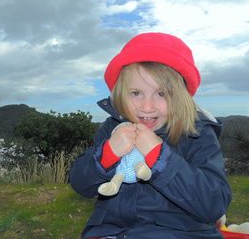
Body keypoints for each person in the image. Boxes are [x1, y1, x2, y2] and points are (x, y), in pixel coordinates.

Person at [69, 32, 232, 239]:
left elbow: (214, 204)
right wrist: (107, 154)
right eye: (136, 93)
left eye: (161, 94)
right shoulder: (113, 129)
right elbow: (82, 185)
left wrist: (160, 157)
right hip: (110, 232)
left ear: (180, 98)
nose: (147, 107)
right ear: (120, 94)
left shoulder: (197, 133)